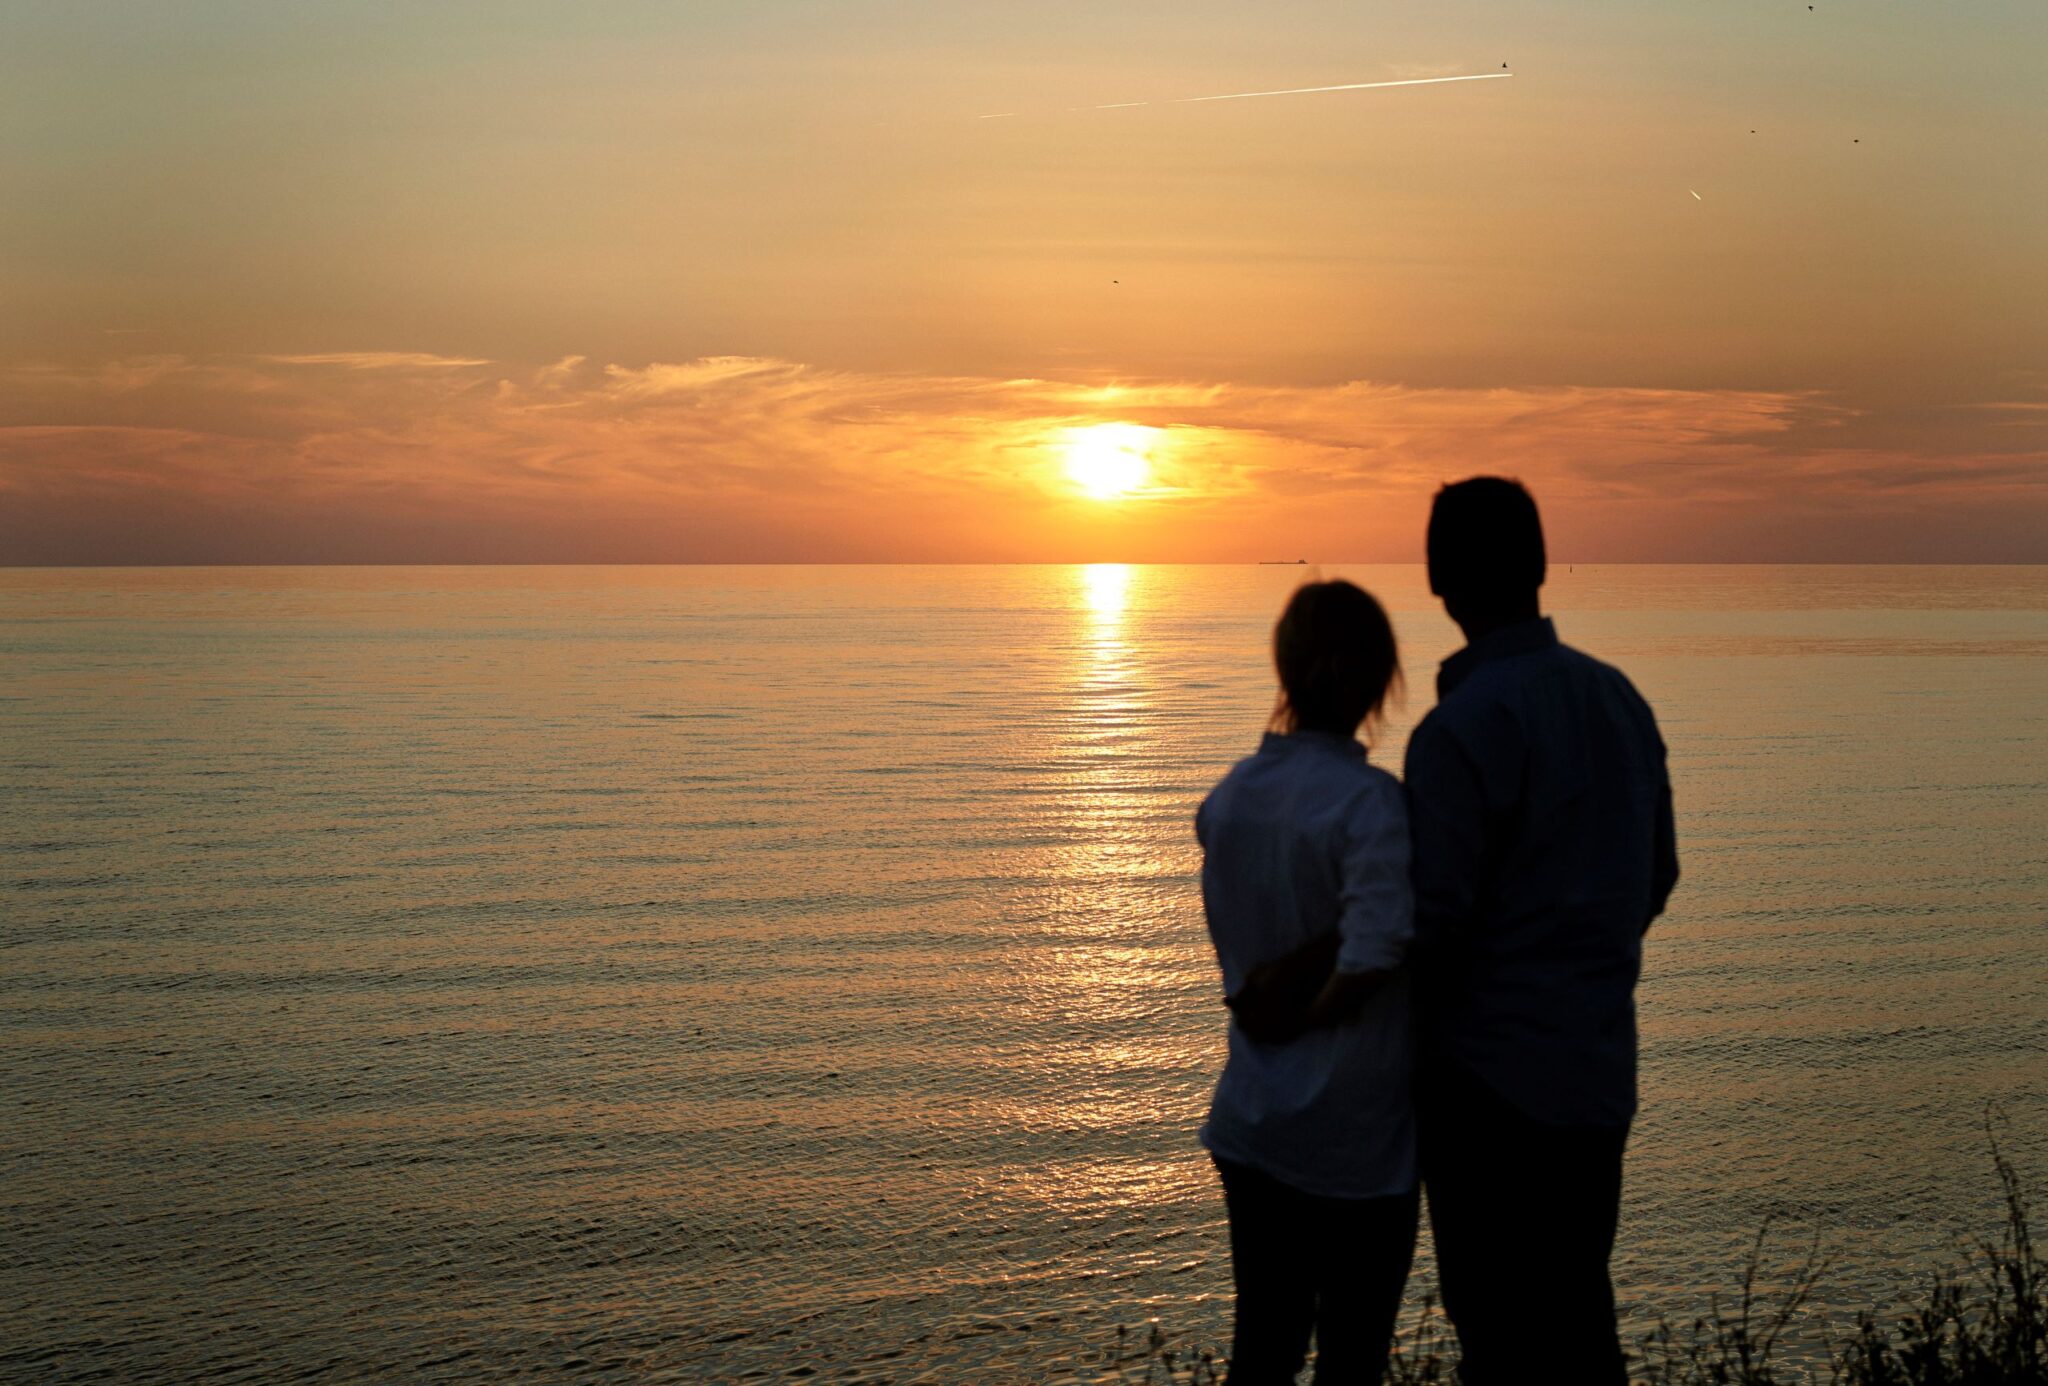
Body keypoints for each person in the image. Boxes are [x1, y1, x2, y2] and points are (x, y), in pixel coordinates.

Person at [1404, 477, 1679, 1384]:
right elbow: (1659, 874)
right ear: (1538, 566)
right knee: (1576, 1318)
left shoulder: (1460, 730)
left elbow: (1433, 932)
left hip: (1489, 1094)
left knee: (1502, 1335)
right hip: (1597, 1074)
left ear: (1439, 577)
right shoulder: (1619, 701)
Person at [1195, 579, 1418, 1385]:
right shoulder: (1372, 805)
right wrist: (1315, 1013)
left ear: (1283, 670)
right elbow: (1374, 952)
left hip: (1252, 1121)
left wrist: (1282, 1011)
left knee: (1263, 1345)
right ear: (1378, 681)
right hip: (1353, 1140)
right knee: (1352, 1356)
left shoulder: (1228, 800)